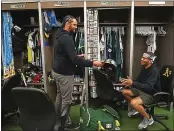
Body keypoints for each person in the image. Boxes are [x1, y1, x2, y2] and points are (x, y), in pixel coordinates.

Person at [52, 15, 104, 131]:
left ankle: (56, 120)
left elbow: (64, 54)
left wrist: (76, 56)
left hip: (57, 72)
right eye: (74, 24)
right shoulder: (67, 38)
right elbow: (75, 60)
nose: (76, 27)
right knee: (67, 100)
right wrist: (93, 63)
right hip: (64, 74)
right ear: (67, 24)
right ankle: (65, 124)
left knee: (60, 97)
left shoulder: (59, 35)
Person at [120, 52, 161, 129]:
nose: (141, 59)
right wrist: (130, 84)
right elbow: (138, 81)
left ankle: (148, 118)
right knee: (124, 91)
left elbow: (148, 87)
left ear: (150, 60)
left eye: (144, 58)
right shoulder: (144, 68)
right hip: (143, 91)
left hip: (152, 94)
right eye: (142, 57)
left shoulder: (154, 71)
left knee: (133, 102)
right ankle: (139, 109)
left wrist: (132, 83)